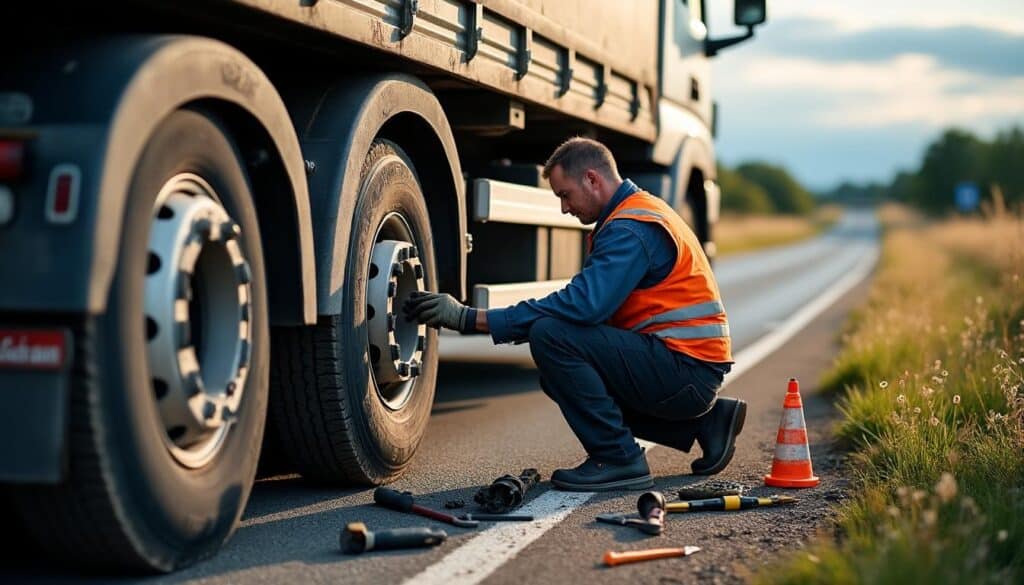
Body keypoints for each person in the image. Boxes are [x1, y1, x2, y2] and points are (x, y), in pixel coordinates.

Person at [404, 137, 746, 491]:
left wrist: (471, 318)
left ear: (593, 180)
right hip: (683, 368)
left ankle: (618, 457)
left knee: (552, 336)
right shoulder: (634, 214)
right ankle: (704, 425)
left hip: (685, 372)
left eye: (565, 195)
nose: (565, 209)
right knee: (558, 376)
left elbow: (583, 306)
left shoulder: (630, 228)